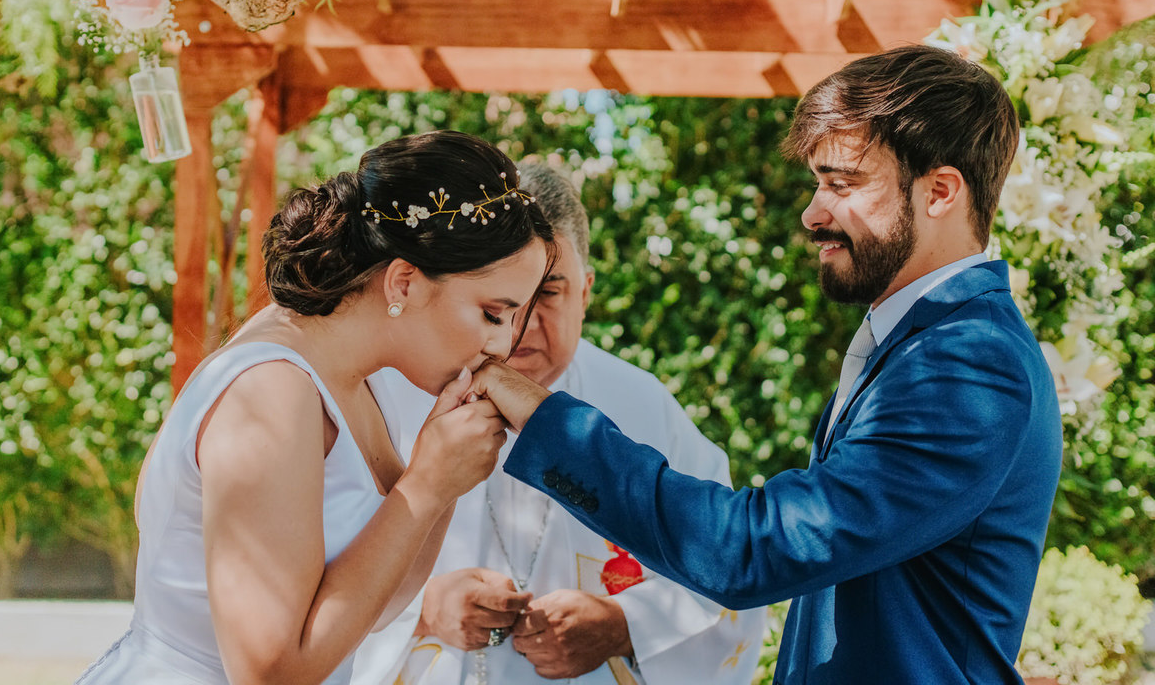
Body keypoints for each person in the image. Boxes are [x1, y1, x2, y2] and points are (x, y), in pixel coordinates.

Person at [469, 46, 1064, 684]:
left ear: (940, 192)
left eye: (842, 183)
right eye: (817, 184)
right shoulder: (924, 343)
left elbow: (749, 551)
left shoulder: (968, 365)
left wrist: (544, 419)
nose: (813, 213)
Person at [76, 130, 555, 685]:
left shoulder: (358, 379)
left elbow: (378, 605)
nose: (503, 347)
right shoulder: (272, 391)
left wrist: (442, 486)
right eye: (494, 314)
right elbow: (268, 672)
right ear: (404, 281)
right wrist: (423, 485)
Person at [348, 162, 766, 685]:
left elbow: (728, 557)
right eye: (500, 299)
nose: (519, 323)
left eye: (548, 293)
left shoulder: (642, 406)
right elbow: (313, 566)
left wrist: (624, 624)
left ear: (586, 292)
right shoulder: (394, 391)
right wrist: (422, 608)